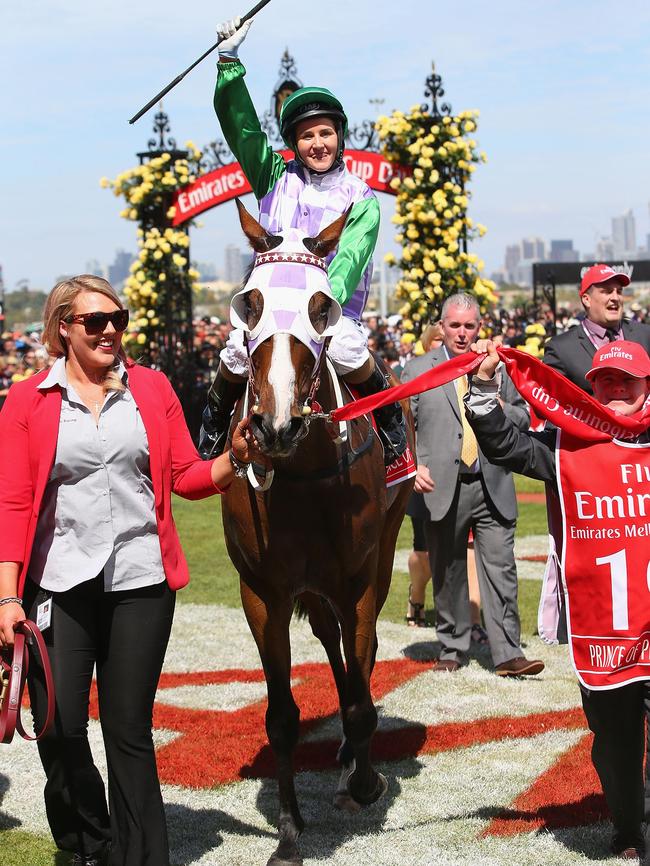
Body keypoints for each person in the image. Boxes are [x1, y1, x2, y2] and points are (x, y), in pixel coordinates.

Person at [0, 275, 264, 866]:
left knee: (128, 732)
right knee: (60, 727)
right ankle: (89, 841)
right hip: (57, 584)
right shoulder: (27, 399)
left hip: (141, 581)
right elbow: (14, 503)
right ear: (63, 327)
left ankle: (142, 858)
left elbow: (184, 477)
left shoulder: (151, 388)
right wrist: (5, 598)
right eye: (95, 321)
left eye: (117, 318)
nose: (110, 330)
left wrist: (233, 459)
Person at [466, 338, 650, 863]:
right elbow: (505, 446)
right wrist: (482, 387)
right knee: (614, 750)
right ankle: (627, 824)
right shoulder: (567, 443)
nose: (616, 390)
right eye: (606, 381)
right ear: (590, 388)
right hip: (605, 634)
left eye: (627, 381)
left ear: (646, 386)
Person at [199, 16, 406, 465]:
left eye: (326, 133)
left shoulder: (361, 197)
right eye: (307, 135)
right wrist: (229, 62)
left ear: (340, 137)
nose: (318, 143)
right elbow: (243, 131)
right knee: (235, 349)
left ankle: (390, 424)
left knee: (349, 345)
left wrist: (318, 307)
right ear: (294, 142)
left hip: (325, 309)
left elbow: (349, 260)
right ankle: (213, 426)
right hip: (268, 311)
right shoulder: (274, 176)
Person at [401, 293, 543, 675]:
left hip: (492, 480)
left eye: (469, 326)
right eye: (454, 326)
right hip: (441, 486)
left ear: (479, 327)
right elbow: (402, 429)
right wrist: (413, 467)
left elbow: (522, 416)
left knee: (501, 569)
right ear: (441, 327)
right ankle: (452, 647)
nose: (462, 334)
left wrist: (493, 404)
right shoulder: (416, 371)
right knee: (447, 572)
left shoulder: (498, 366)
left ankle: (508, 652)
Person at [544, 263, 650, 395]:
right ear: (586, 300)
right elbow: (552, 405)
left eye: (619, 291)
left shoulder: (645, 335)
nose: (615, 298)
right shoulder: (561, 349)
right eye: (607, 291)